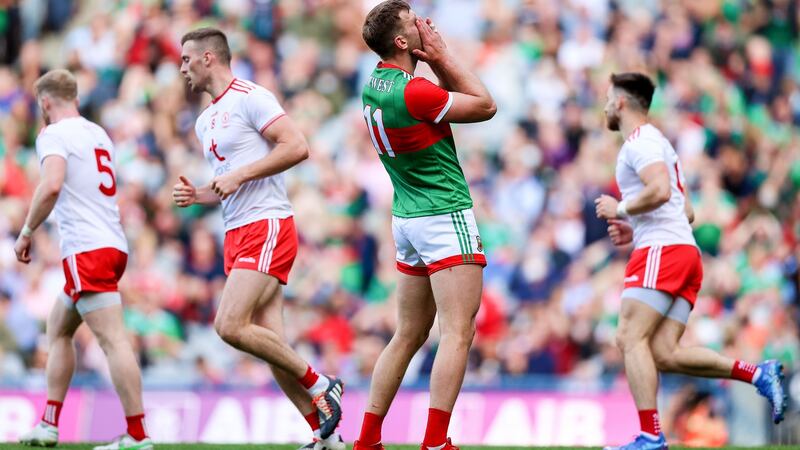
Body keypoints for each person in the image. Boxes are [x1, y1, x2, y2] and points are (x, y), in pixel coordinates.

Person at [172, 28, 344, 450]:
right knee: (272, 346)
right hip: (236, 230)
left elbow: (297, 146)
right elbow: (228, 184)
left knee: (229, 325)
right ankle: (326, 440)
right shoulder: (203, 120)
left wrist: (238, 175)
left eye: (186, 60)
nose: (181, 68)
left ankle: (322, 383)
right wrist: (199, 194)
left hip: (268, 225)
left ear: (209, 58)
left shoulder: (252, 96)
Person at [596, 72, 787, 450]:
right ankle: (757, 373)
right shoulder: (657, 143)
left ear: (620, 102)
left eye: (606, 98)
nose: (603, 105)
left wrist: (620, 207)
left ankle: (651, 436)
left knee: (628, 336)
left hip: (663, 253)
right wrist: (635, 229)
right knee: (664, 353)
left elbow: (662, 191)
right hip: (681, 251)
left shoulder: (640, 142)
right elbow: (685, 210)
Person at [354, 2, 497, 450]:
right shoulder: (414, 92)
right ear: (401, 42)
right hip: (442, 214)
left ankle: (367, 440)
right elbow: (487, 106)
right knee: (458, 331)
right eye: (414, 22)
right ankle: (435, 442)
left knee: (408, 333)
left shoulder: (373, 86)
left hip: (407, 216)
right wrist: (443, 56)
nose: (425, 25)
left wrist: (429, 61)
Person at [15, 69, 153, 450]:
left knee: (112, 340)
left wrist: (26, 231)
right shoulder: (97, 133)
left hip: (87, 249)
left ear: (45, 102)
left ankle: (138, 436)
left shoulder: (53, 135)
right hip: (112, 242)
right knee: (58, 326)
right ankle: (49, 423)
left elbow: (53, 184)